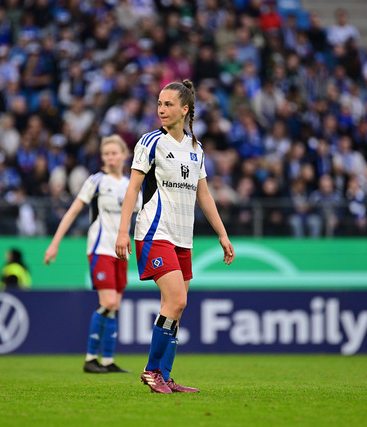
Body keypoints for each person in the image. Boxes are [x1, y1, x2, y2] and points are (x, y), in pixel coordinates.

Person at [115, 79, 235, 394]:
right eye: (159, 103)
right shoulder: (150, 142)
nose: (161, 109)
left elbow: (204, 195)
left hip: (183, 238)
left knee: (176, 308)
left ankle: (165, 376)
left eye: (168, 104)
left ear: (185, 109)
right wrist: (122, 231)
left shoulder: (196, 149)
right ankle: (151, 370)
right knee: (177, 300)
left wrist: (222, 234)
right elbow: (133, 188)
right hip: (154, 232)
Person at [44, 134, 138, 374]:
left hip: (122, 253)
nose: (110, 157)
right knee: (108, 302)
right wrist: (55, 243)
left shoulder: (130, 184)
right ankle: (89, 358)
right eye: (106, 154)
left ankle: (107, 360)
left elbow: (141, 215)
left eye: (114, 153)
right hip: (100, 249)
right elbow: (73, 211)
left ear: (124, 155)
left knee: (115, 305)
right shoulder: (96, 181)